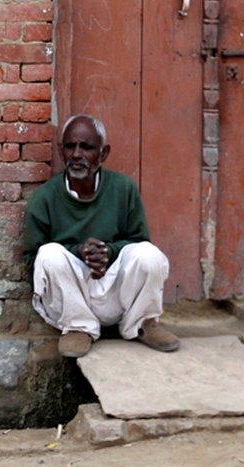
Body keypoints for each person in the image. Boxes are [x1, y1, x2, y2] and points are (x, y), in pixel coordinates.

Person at [23, 114, 180, 358]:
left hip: (116, 292)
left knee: (149, 255)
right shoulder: (44, 198)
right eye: (70, 146)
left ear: (103, 154)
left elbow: (138, 241)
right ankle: (78, 328)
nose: (77, 154)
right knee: (48, 254)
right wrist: (78, 253)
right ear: (61, 151)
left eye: (87, 147)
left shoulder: (123, 188)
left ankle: (142, 323)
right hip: (71, 298)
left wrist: (109, 252)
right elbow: (33, 262)